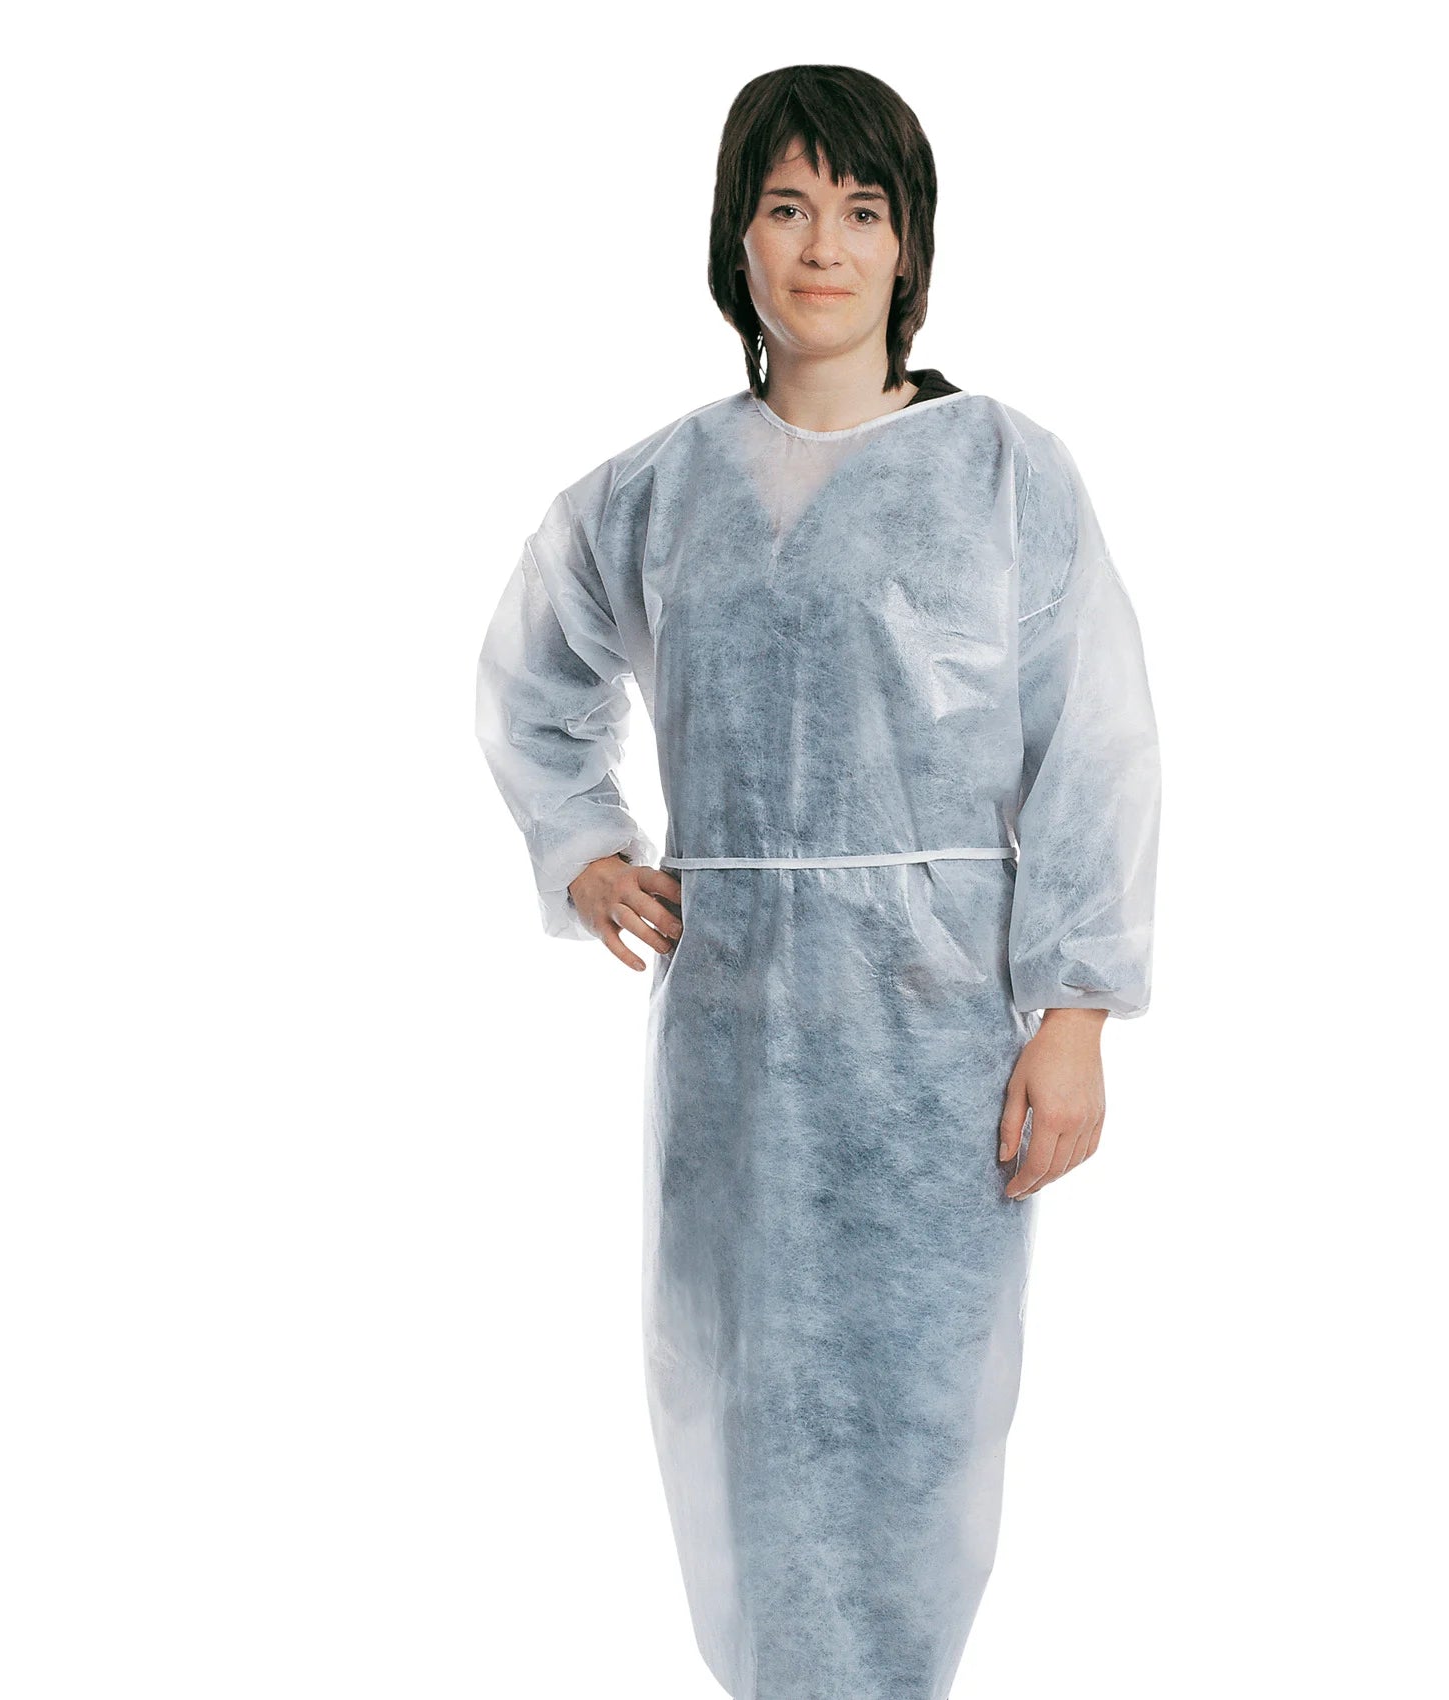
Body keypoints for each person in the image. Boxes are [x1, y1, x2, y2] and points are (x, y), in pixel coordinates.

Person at [475, 63, 1161, 1700]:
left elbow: (1096, 743)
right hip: (734, 1045)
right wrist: (584, 848)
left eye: (863, 209)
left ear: (910, 245)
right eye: (787, 207)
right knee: (737, 1408)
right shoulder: (658, 491)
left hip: (937, 1043)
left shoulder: (1005, 474)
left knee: (915, 1422)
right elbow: (532, 673)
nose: (825, 245)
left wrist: (1074, 1014)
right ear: (739, 240)